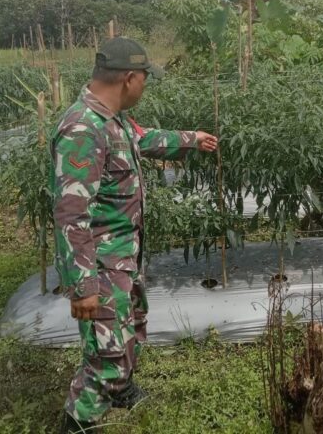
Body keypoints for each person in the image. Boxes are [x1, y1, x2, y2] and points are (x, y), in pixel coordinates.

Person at [52, 37, 218, 433]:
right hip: (100, 265)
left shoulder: (113, 120)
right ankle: (78, 421)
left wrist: (191, 139)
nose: (145, 85)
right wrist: (83, 286)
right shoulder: (83, 129)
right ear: (129, 78)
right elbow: (72, 214)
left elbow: (143, 139)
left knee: (129, 327)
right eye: (145, 78)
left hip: (122, 256)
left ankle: (122, 389)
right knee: (104, 354)